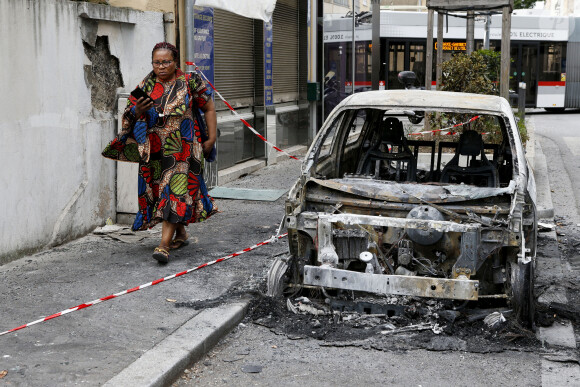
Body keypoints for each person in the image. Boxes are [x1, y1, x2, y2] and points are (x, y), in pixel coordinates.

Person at [102, 42, 218, 263]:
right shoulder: (146, 85)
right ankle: (181, 233)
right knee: (161, 192)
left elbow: (209, 108)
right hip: (155, 151)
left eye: (166, 62)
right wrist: (137, 111)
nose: (161, 66)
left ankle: (163, 245)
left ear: (176, 62)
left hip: (184, 149)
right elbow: (129, 114)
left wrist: (211, 138)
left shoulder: (190, 81)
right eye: (157, 62)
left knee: (173, 192)